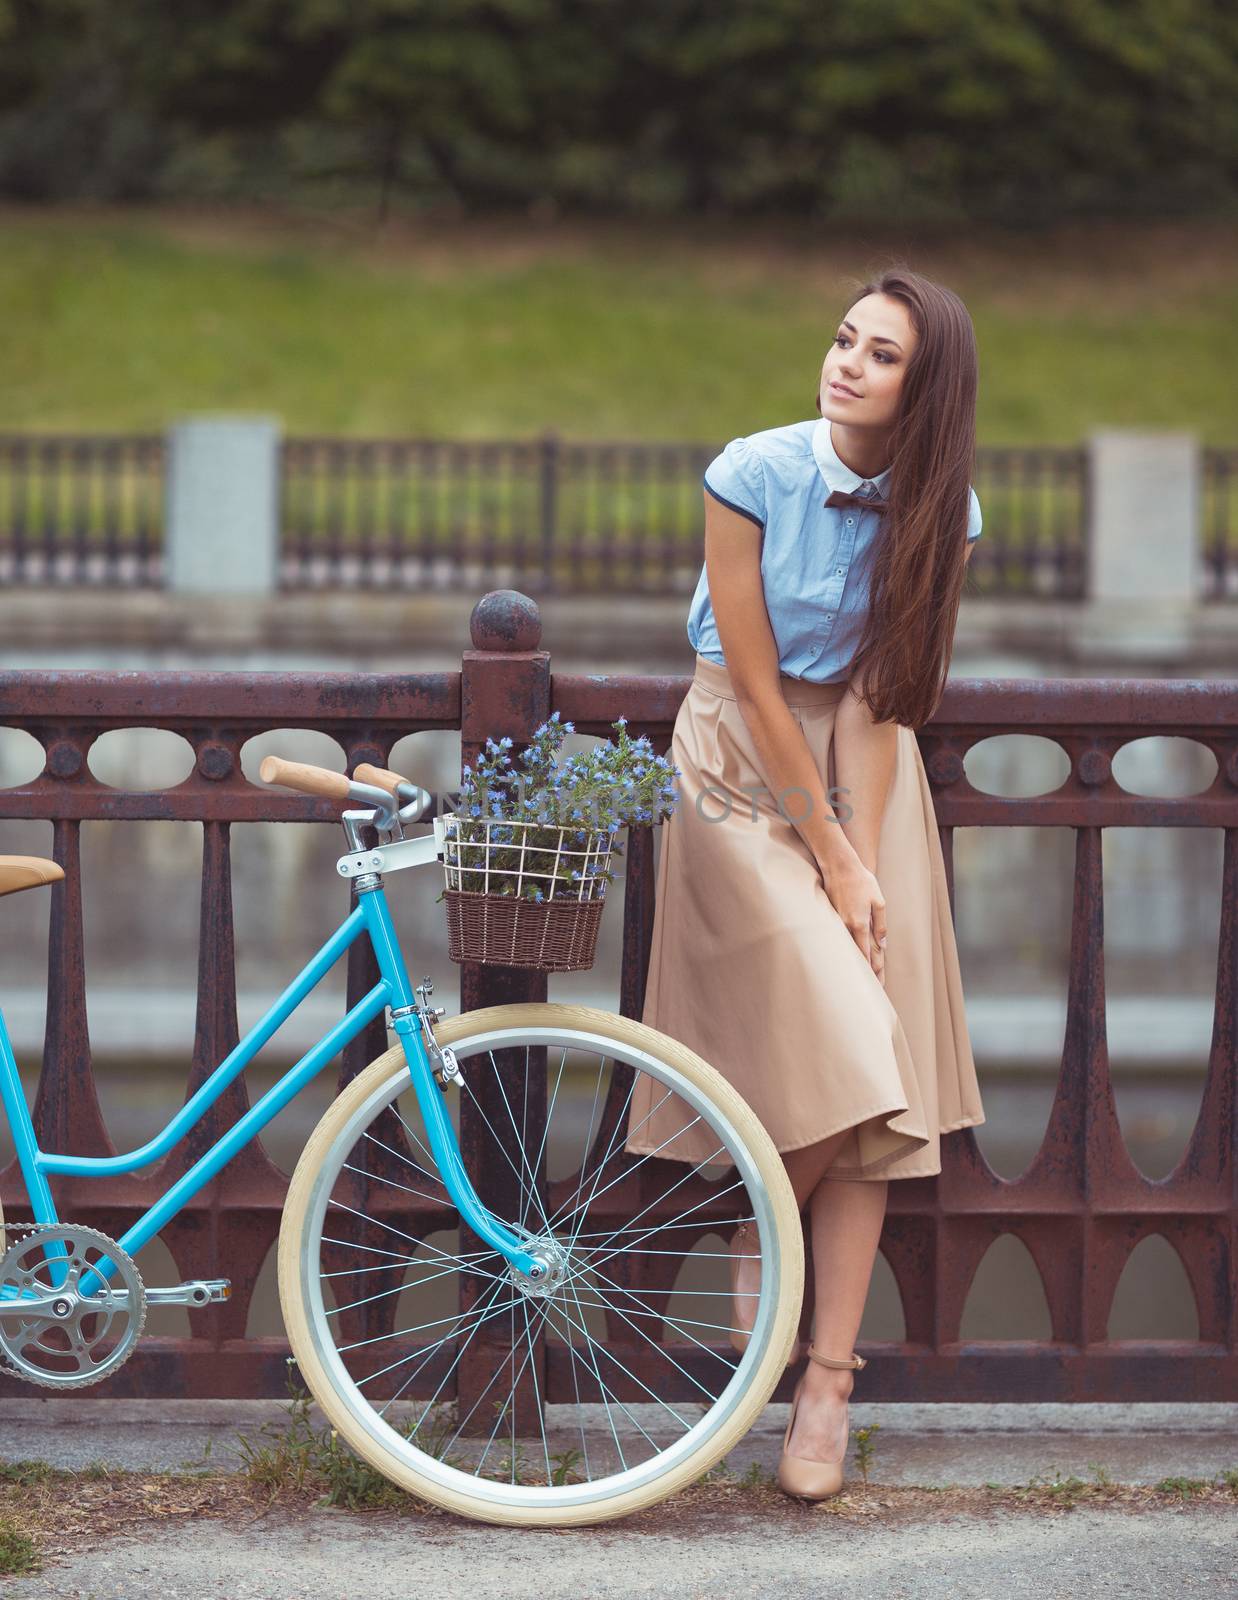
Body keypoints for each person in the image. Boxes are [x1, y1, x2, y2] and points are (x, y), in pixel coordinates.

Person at [624, 265, 986, 1500]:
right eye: (843, 339)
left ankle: (824, 1377)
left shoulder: (948, 510)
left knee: (877, 1045)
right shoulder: (752, 472)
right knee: (839, 1027)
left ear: (921, 385)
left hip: (861, 757)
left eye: (879, 353)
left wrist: (867, 853)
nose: (843, 363)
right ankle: (758, 1230)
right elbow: (756, 676)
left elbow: (881, 699)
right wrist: (828, 855)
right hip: (736, 751)